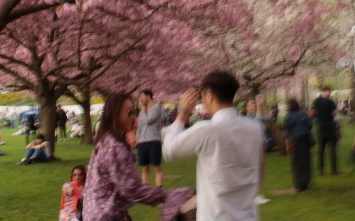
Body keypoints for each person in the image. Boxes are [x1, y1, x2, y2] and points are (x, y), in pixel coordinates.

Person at [162, 70, 264, 221]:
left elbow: (169, 151)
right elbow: (259, 176)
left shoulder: (206, 129)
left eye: (201, 97)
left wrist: (183, 114)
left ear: (209, 95)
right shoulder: (255, 128)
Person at [81, 92, 189, 221]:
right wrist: (168, 195)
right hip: (104, 215)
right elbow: (131, 188)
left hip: (94, 213)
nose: (133, 117)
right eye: (129, 112)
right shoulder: (114, 147)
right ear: (115, 114)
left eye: (134, 112)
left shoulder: (104, 141)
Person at [282, 99, 313, 192]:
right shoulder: (302, 114)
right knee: (305, 160)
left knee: (296, 161)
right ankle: (305, 180)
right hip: (303, 138)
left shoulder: (287, 116)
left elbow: (287, 130)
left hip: (294, 139)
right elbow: (309, 124)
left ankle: (299, 182)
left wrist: (288, 144)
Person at [136, 89, 165, 187]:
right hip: (142, 142)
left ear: (148, 96)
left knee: (157, 167)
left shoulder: (156, 108)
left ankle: (159, 190)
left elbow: (148, 120)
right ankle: (147, 190)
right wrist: (137, 138)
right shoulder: (141, 112)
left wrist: (143, 111)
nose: (141, 99)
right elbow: (139, 127)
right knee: (145, 168)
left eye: (142, 96)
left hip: (153, 141)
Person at [311, 86, 339, 176]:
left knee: (321, 150)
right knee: (332, 149)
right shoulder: (330, 102)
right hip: (330, 127)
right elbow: (334, 113)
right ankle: (333, 170)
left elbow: (312, 112)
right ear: (329, 91)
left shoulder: (316, 101)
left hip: (320, 127)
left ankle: (321, 170)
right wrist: (339, 110)